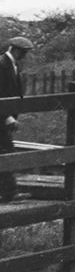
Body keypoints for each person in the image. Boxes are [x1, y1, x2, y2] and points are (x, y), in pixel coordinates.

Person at [0, 36, 33, 202]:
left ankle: (8, 193)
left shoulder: (14, 66)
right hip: (2, 118)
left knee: (6, 153)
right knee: (7, 152)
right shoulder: (1, 64)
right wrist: (6, 117)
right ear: (15, 49)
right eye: (23, 52)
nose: (24, 56)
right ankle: (10, 193)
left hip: (6, 118)